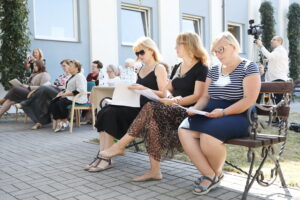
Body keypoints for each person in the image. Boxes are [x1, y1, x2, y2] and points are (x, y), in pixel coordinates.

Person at [99, 32, 209, 181]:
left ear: (189, 45)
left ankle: (120, 145)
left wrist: (175, 101)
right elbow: (167, 90)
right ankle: (155, 171)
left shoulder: (201, 68)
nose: (175, 47)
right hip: (171, 108)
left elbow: (197, 96)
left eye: (178, 44)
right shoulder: (178, 66)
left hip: (186, 111)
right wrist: (169, 98)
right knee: (151, 124)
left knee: (150, 106)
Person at [177, 32, 261, 195]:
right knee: (184, 129)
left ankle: (211, 177)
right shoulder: (214, 70)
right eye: (215, 51)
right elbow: (205, 96)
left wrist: (223, 112)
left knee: (208, 136)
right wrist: (196, 109)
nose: (217, 54)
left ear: (234, 46)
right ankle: (210, 175)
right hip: (212, 112)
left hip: (239, 114)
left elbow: (249, 100)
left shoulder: (248, 67)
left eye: (221, 49)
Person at [83, 37, 168, 172]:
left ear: (151, 51)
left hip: (148, 110)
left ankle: (106, 158)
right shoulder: (140, 69)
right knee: (105, 110)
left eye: (141, 52)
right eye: (137, 53)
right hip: (134, 104)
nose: (139, 56)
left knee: (111, 113)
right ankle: (102, 155)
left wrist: (143, 89)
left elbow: (164, 94)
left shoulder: (159, 67)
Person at [16, 59, 71, 130]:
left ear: (70, 65)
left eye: (64, 66)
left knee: (44, 87)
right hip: (55, 92)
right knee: (42, 98)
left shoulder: (72, 76)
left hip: (63, 93)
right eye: (62, 66)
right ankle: (41, 121)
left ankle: (26, 102)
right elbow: (54, 84)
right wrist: (54, 85)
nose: (63, 68)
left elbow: (70, 88)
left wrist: (58, 86)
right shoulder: (61, 76)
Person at [49, 60, 87, 132]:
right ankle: (60, 121)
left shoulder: (79, 76)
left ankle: (64, 120)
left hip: (79, 98)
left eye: (71, 66)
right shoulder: (73, 76)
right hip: (70, 96)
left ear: (76, 68)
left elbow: (79, 90)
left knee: (61, 102)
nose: (69, 68)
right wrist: (61, 93)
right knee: (53, 102)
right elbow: (68, 89)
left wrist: (65, 94)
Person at [255, 36, 289, 104]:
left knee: (277, 103)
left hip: (278, 80)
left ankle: (255, 108)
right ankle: (256, 107)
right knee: (275, 102)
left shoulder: (280, 50)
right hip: (274, 79)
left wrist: (261, 45)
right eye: (271, 39)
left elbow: (270, 56)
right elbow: (275, 59)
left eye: (274, 39)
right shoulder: (278, 50)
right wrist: (268, 60)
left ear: (280, 42)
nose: (271, 41)